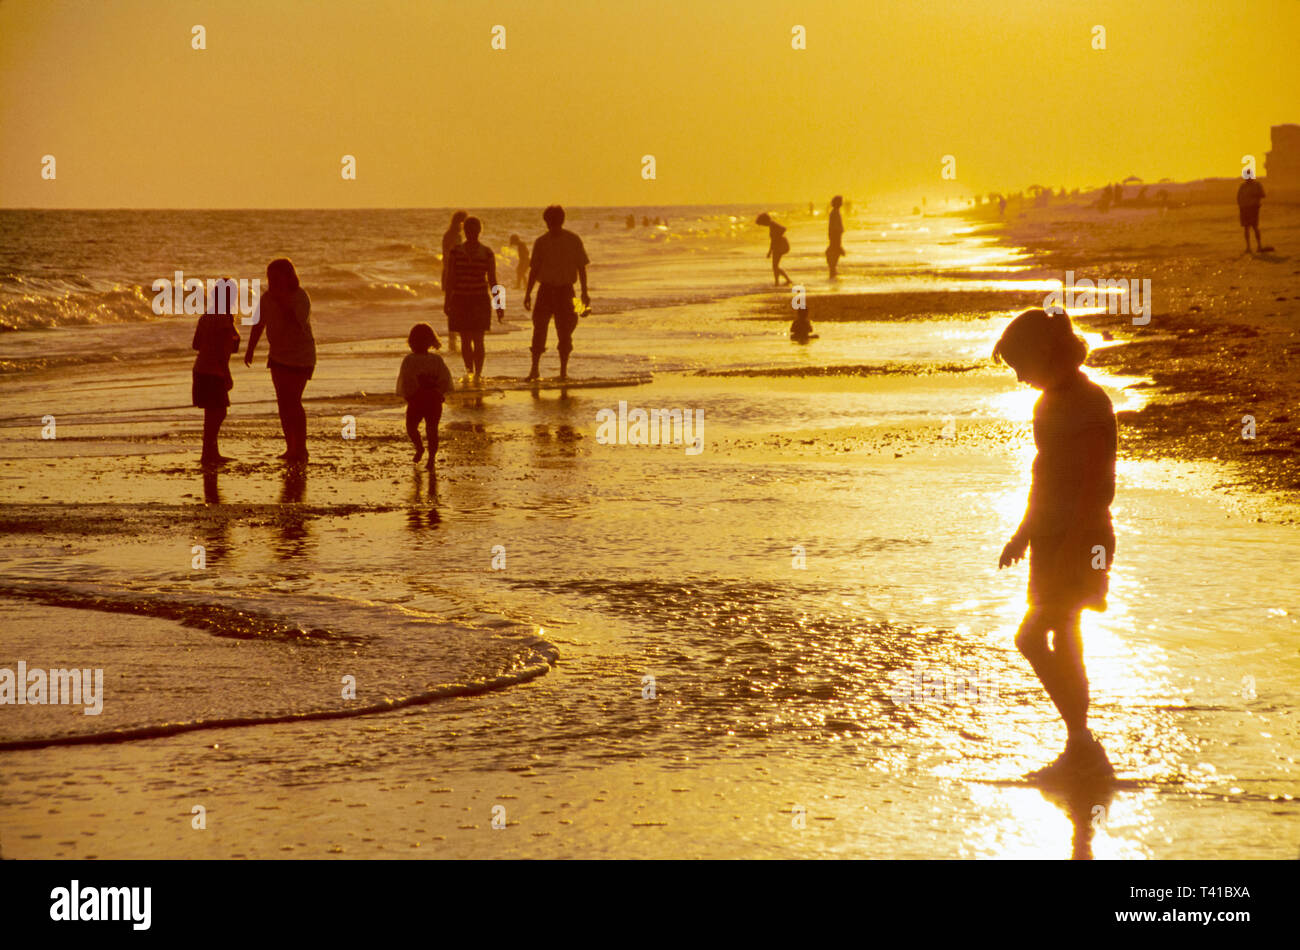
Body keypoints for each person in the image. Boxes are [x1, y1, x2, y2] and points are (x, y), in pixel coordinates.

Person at [994, 308, 1117, 782]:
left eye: (1020, 364)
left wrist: (1072, 545)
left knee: (1030, 637)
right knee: (1066, 639)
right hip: (1049, 540)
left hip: (1082, 541)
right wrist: (1023, 534)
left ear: (1046, 353)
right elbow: (1042, 479)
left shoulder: (1088, 402)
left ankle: (1082, 743)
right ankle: (1080, 749)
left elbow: (1096, 484)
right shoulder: (1047, 403)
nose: (1020, 376)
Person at [244, 258, 315, 462]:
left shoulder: (300, 297)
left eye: (276, 277)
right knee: (283, 403)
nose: (272, 281)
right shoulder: (266, 298)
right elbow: (258, 324)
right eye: (270, 277)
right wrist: (250, 349)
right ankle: (290, 447)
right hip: (278, 355)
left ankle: (300, 447)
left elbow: (296, 322)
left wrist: (282, 299)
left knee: (293, 401)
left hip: (301, 355)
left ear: (288, 276)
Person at [524, 205, 589, 382]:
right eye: (549, 222)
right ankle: (535, 369)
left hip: (566, 291)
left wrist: (584, 295)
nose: (550, 224)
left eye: (552, 221)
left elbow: (581, 268)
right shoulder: (541, 242)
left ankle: (562, 371)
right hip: (546, 290)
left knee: (565, 330)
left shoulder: (573, 240)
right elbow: (534, 270)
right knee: (539, 330)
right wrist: (528, 292)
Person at [444, 216, 500, 382]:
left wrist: (499, 304)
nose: (472, 233)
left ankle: (478, 374)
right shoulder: (456, 252)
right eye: (469, 230)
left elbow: (493, 280)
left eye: (474, 230)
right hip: (460, 299)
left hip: (479, 300)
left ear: (479, 231)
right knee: (466, 339)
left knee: (478, 339)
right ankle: (470, 372)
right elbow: (450, 278)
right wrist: (447, 301)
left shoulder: (487, 253)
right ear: (465, 231)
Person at [192, 278, 241, 465]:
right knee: (218, 413)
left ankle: (211, 452)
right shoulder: (223, 318)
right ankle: (209, 453)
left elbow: (196, 344)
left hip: (200, 368)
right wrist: (226, 373)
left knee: (213, 413)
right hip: (214, 370)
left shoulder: (206, 316)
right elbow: (223, 351)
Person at [396, 323, 453, 471]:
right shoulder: (432, 360)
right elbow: (445, 379)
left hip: (419, 399)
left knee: (415, 428)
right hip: (430, 399)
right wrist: (440, 392)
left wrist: (409, 395)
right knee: (428, 429)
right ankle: (426, 453)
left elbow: (406, 380)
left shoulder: (413, 360)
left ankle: (425, 453)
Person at [440, 210, 468, 354]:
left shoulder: (450, 235)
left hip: (450, 271)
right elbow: (451, 256)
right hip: (453, 272)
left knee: (454, 304)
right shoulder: (453, 236)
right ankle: (453, 337)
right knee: (454, 305)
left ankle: (454, 337)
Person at [755, 213, 791, 285]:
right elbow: (773, 240)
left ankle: (785, 280)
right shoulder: (772, 225)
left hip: (780, 246)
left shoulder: (773, 225)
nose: (762, 225)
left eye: (762, 223)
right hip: (777, 246)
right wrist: (770, 251)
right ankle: (778, 281)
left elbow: (783, 229)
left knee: (775, 266)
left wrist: (778, 237)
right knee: (775, 266)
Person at [1237, 172, 1266, 253]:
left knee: (1255, 227)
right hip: (1244, 209)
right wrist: (1241, 206)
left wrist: (1254, 195)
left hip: (1253, 209)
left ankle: (1259, 246)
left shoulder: (1257, 185)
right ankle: (1248, 247)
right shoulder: (1243, 186)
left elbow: (1263, 195)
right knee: (1246, 228)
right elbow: (1238, 197)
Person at [826, 195, 846, 279]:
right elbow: (833, 227)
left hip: (836, 235)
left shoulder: (835, 212)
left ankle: (833, 270)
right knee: (833, 252)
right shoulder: (834, 213)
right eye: (840, 202)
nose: (842, 203)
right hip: (835, 235)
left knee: (834, 252)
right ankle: (832, 270)